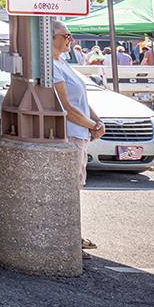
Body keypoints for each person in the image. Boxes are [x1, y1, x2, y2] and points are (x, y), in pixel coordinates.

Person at [50, 23, 105, 260]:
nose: (70, 40)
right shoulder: (52, 66)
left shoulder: (63, 62)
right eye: (66, 36)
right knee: (69, 189)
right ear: (51, 38)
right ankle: (68, 238)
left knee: (76, 186)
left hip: (80, 133)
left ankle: (72, 234)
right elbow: (65, 106)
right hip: (71, 133)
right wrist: (92, 125)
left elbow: (80, 99)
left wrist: (96, 120)